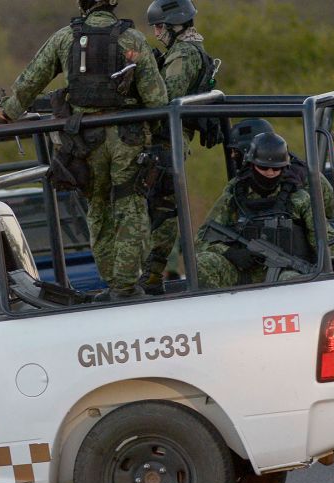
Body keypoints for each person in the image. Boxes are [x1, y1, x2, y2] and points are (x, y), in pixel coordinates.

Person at [196, 132, 334, 380]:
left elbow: (327, 236)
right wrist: (230, 252)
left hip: (292, 272)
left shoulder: (299, 198)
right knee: (204, 264)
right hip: (245, 268)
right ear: (252, 164)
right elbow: (203, 238)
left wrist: (332, 262)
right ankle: (228, 344)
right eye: (263, 168)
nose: (269, 174)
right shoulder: (235, 195)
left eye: (275, 169)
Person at [0, 0, 168, 301]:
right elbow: (158, 100)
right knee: (130, 205)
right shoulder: (133, 39)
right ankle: (126, 286)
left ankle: (113, 284)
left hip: (86, 140)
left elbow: (33, 78)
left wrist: (5, 113)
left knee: (97, 208)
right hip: (129, 139)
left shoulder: (65, 37)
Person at [140, 0, 221, 294]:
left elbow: (166, 97)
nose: (157, 33)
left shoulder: (184, 54)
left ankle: (151, 276)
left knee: (160, 209)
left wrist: (142, 79)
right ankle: (150, 275)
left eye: (160, 26)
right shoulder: (180, 52)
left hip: (166, 141)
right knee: (158, 207)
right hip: (166, 141)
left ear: (177, 25)